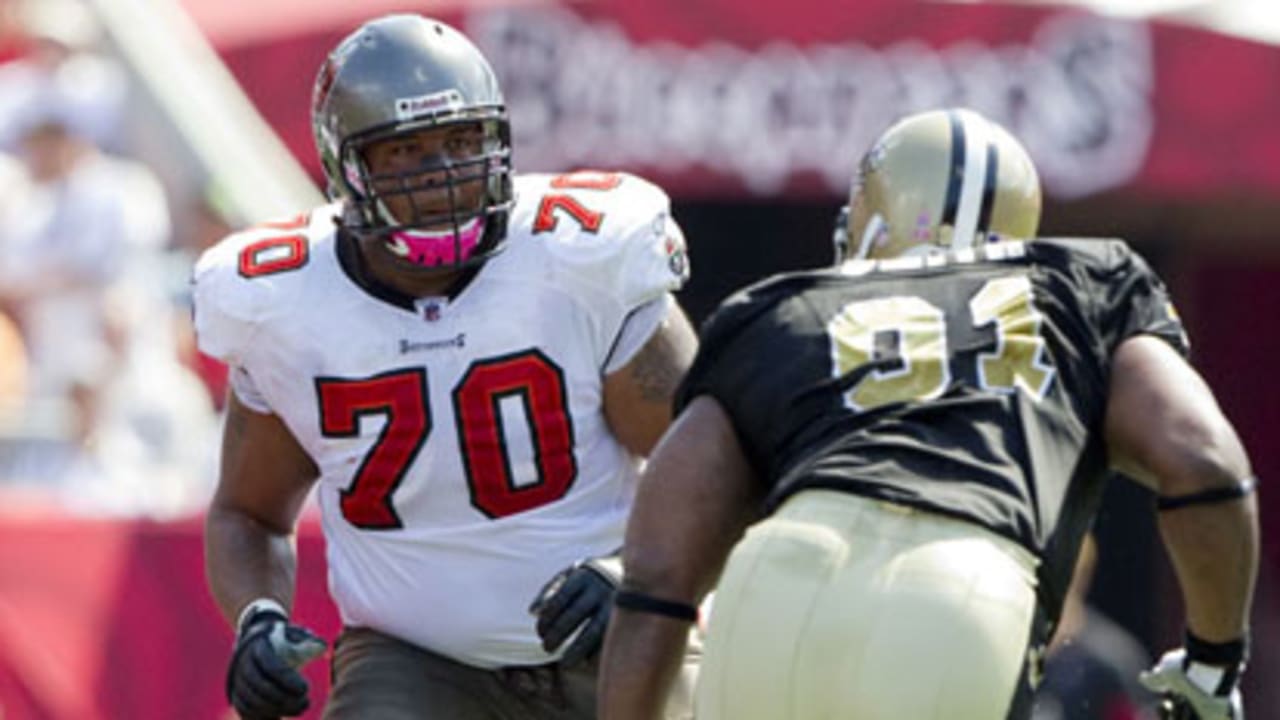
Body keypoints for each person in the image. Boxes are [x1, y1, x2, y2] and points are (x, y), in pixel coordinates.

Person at [597, 108, 1259, 720]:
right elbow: (1204, 463)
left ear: (870, 219)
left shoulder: (778, 309)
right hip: (961, 593)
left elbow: (660, 568)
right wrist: (1212, 665)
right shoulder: (1083, 282)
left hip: (774, 584)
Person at [193, 13, 700, 720]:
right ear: (347, 167)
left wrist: (638, 575)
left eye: (462, 142)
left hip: (616, 631)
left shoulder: (581, 255)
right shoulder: (281, 300)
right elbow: (248, 513)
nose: (440, 176)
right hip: (416, 659)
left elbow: (711, 464)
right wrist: (256, 617)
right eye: (405, 153)